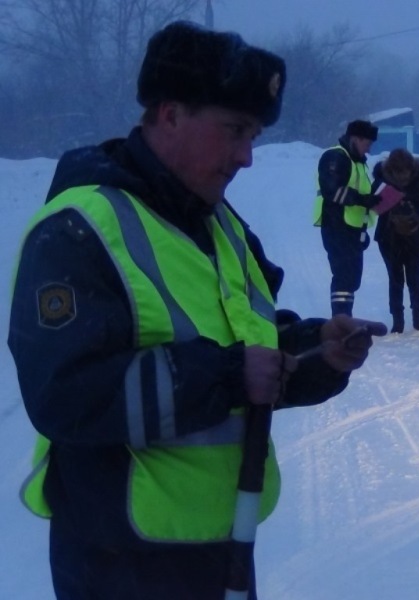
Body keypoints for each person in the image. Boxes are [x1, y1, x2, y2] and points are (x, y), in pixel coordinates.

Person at [7, 21, 386, 600]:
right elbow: (65, 394)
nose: (247, 157)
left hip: (220, 548)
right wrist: (230, 374)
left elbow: (246, 343)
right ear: (168, 114)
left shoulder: (221, 225)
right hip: (117, 564)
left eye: (254, 135)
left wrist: (317, 350)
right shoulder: (80, 228)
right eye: (234, 131)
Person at [313, 119, 380, 317]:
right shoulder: (335, 156)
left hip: (352, 228)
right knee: (343, 276)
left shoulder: (358, 163)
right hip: (336, 225)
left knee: (351, 278)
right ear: (355, 139)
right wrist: (363, 200)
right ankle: (341, 319)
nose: (368, 150)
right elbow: (332, 190)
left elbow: (361, 192)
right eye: (366, 144)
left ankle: (344, 316)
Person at [371, 148, 419, 333]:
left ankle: (402, 321)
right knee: (411, 278)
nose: (402, 175)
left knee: (399, 279)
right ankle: (414, 320)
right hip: (402, 236)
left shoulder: (385, 177)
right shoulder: (416, 177)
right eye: (399, 171)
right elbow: (372, 201)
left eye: (405, 171)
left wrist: (405, 196)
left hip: (393, 237)